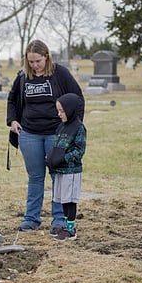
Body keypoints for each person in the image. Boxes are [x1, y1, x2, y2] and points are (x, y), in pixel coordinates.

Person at [6, 39, 84, 233]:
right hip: (29, 134)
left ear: (46, 57)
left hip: (56, 135)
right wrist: (13, 120)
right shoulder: (23, 76)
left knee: (58, 176)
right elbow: (12, 100)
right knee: (35, 177)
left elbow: (77, 99)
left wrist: (73, 127)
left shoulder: (60, 74)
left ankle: (58, 218)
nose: (34, 65)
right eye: (30, 61)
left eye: (38, 61)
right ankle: (31, 218)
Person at [46, 93, 87, 241]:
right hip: (60, 170)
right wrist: (51, 158)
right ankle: (64, 225)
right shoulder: (61, 127)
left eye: (62, 111)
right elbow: (57, 146)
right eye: (58, 110)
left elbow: (79, 150)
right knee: (63, 199)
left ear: (70, 110)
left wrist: (64, 158)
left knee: (70, 200)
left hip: (71, 171)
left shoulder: (79, 128)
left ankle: (71, 229)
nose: (59, 114)